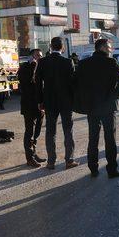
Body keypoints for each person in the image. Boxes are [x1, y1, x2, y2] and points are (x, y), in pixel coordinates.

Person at [74, 38, 119, 178]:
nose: (111, 50)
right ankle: (112, 170)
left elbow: (76, 84)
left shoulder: (84, 63)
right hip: (108, 106)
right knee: (110, 139)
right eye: (110, 48)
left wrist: (83, 101)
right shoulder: (110, 62)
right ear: (103, 48)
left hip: (91, 107)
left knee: (93, 138)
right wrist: (116, 97)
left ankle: (93, 168)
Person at [35, 37, 78, 170]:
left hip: (49, 102)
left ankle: (51, 162)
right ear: (62, 47)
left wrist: (40, 101)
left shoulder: (42, 62)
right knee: (68, 131)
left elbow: (37, 83)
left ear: (50, 47)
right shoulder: (68, 62)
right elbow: (73, 84)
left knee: (50, 131)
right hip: (66, 102)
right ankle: (69, 160)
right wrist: (74, 100)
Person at [17, 48, 45, 167]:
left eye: (40, 56)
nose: (39, 57)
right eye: (37, 55)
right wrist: (34, 66)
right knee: (29, 132)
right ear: (31, 56)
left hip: (40, 106)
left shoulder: (41, 67)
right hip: (29, 105)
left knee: (37, 132)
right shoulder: (25, 67)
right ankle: (29, 158)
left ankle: (33, 153)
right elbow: (26, 84)